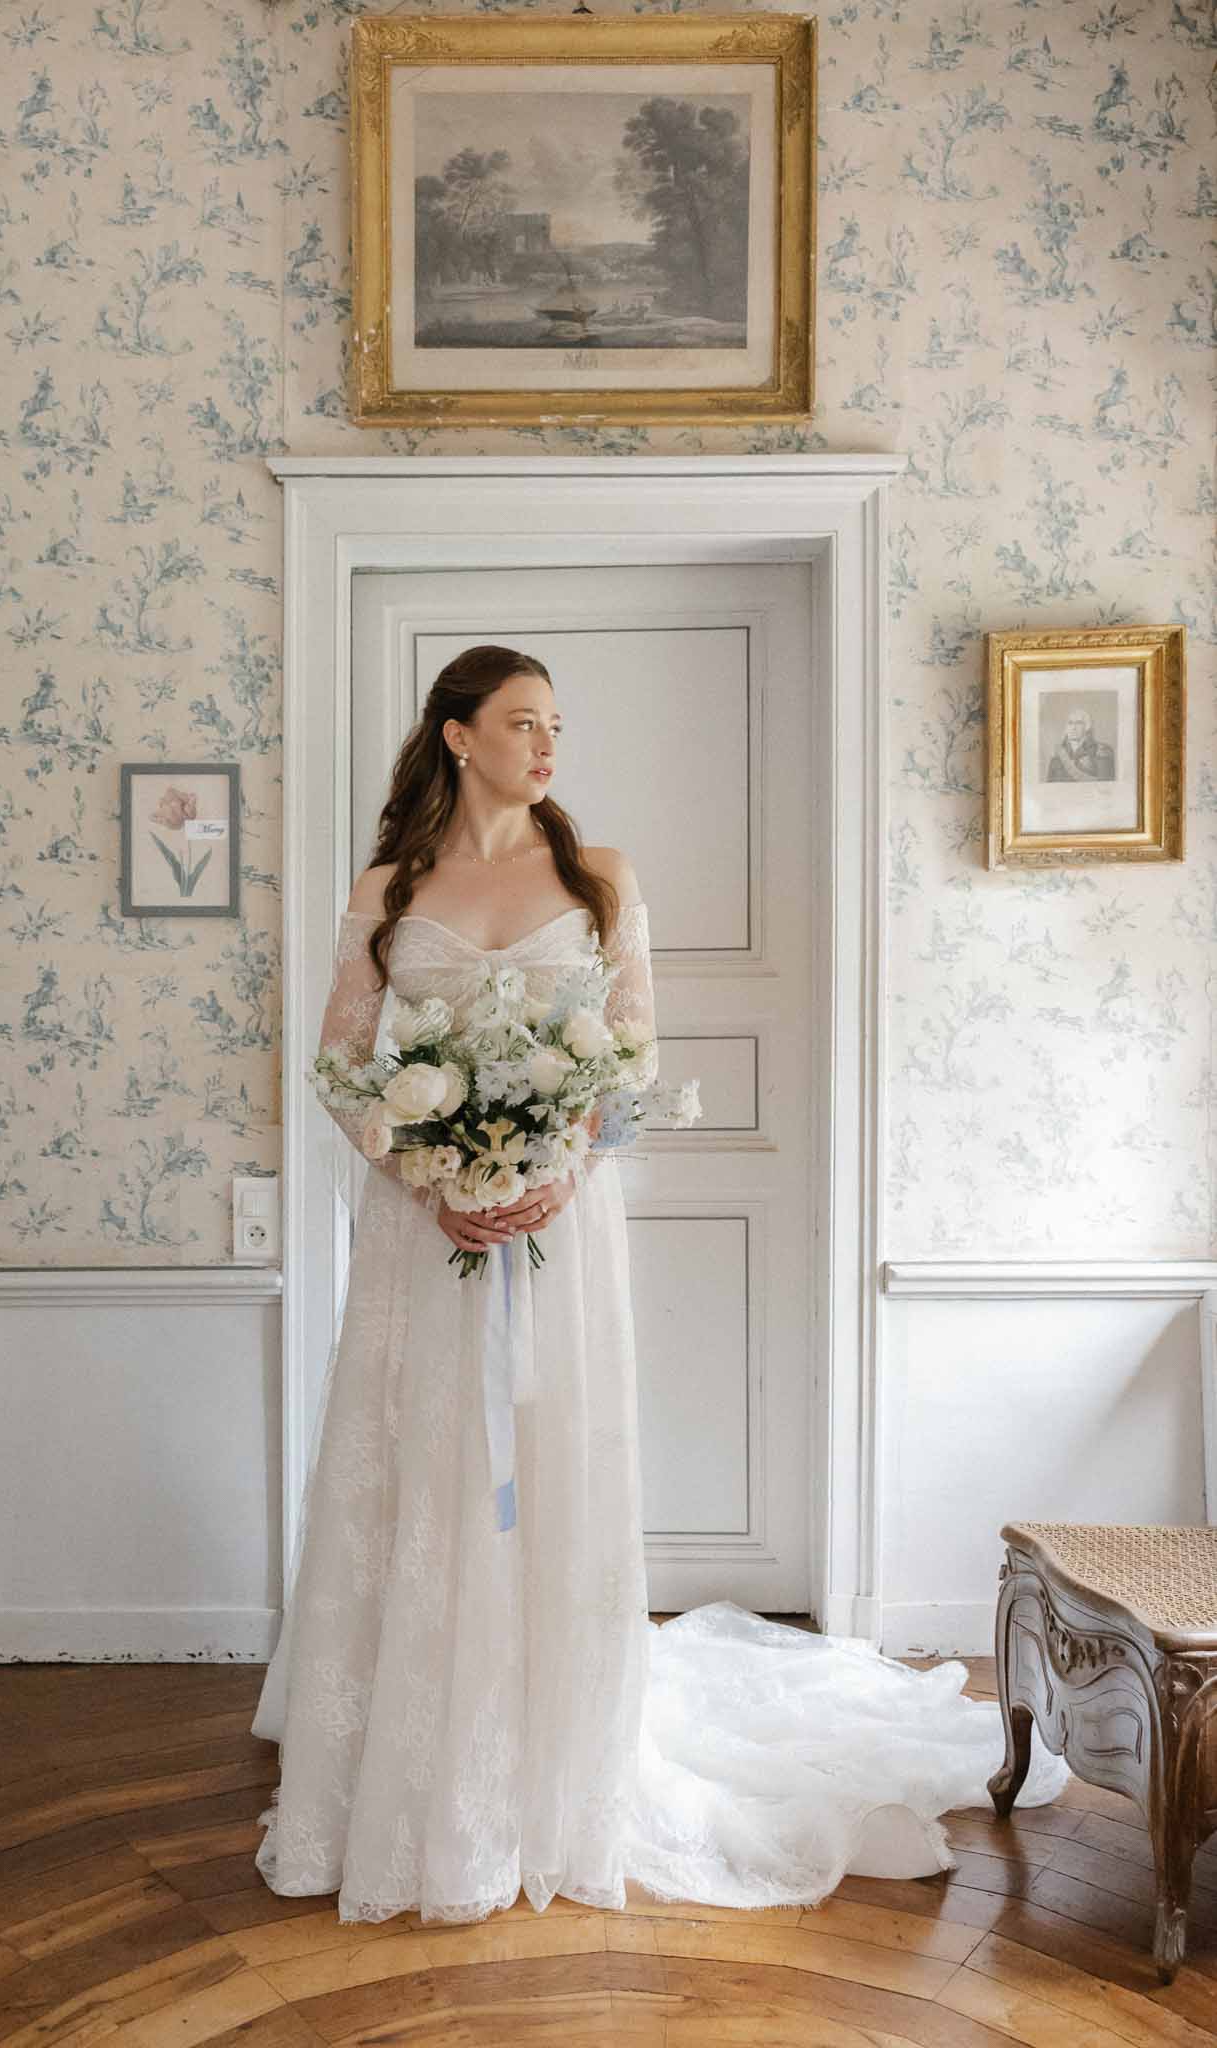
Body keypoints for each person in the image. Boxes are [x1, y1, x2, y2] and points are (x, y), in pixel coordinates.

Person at [251, 644, 1070, 1926]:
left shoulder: (600, 876)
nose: (549, 746)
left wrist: (542, 1175)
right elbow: (341, 1063)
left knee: (551, 1457)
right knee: (431, 1461)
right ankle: (416, 1751)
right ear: (459, 736)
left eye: (558, 726)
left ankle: (559, 1763)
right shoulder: (388, 886)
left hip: (562, 1224)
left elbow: (629, 1059)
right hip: (426, 1231)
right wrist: (433, 1176)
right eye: (524, 723)